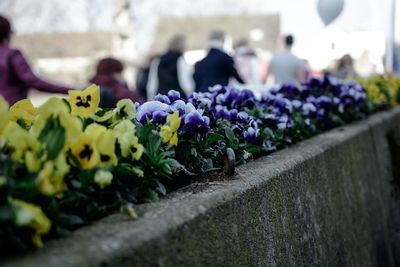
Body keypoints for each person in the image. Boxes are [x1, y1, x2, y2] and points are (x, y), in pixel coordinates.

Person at [0, 15, 70, 105]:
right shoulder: (12, 55)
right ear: (7, 33)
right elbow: (33, 81)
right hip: (10, 112)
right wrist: (72, 90)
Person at [146, 35, 194, 100]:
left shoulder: (158, 60)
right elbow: (185, 83)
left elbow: (152, 85)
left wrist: (150, 100)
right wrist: (191, 97)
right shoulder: (179, 60)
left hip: (161, 100)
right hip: (177, 101)